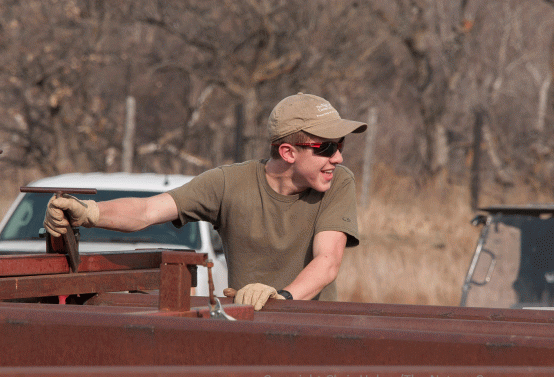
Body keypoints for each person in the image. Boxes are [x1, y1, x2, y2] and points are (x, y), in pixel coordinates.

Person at [44, 93, 367, 310]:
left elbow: (327, 263)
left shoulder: (339, 182)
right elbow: (147, 210)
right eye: (325, 148)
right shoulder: (228, 183)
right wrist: (89, 212)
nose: (337, 157)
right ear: (288, 152)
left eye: (340, 145)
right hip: (246, 332)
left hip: (313, 334)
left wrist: (280, 298)